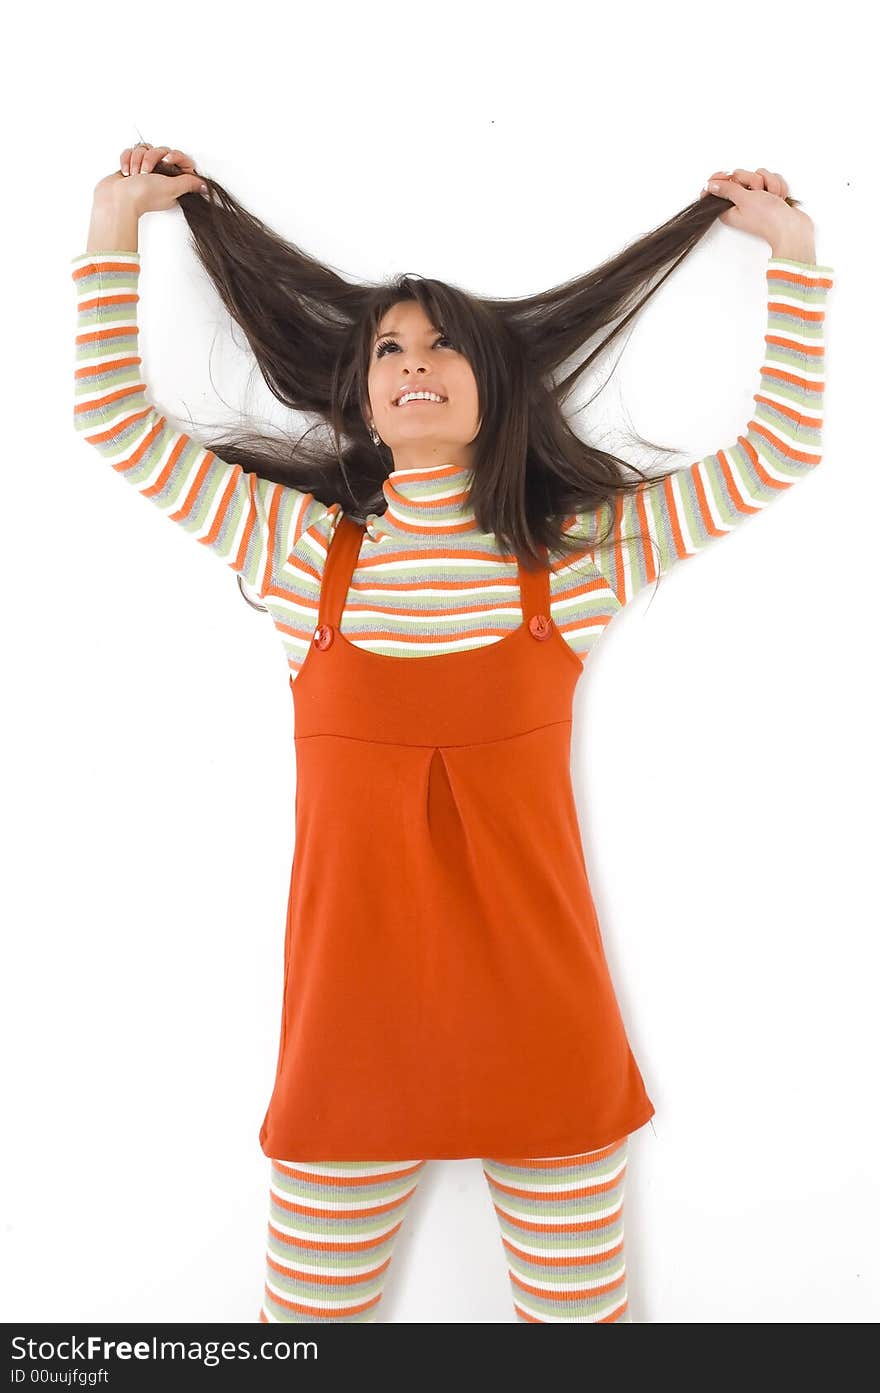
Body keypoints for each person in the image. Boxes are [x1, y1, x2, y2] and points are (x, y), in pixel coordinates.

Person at [71, 144, 834, 1323]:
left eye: (442, 347)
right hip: (347, 1026)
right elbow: (114, 420)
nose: (413, 364)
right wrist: (112, 220)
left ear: (495, 385)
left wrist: (793, 258)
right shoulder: (297, 553)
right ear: (362, 393)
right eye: (389, 349)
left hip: (542, 1015)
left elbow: (777, 449)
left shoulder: (568, 560)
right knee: (302, 1337)